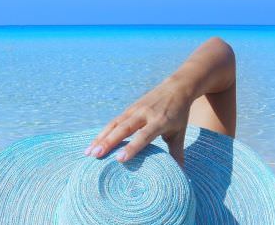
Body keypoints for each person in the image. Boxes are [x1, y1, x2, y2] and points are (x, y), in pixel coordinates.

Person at [84, 37, 237, 166]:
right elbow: (221, 51)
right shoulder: (208, 171)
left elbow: (220, 50)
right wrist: (178, 90)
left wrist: (175, 90)